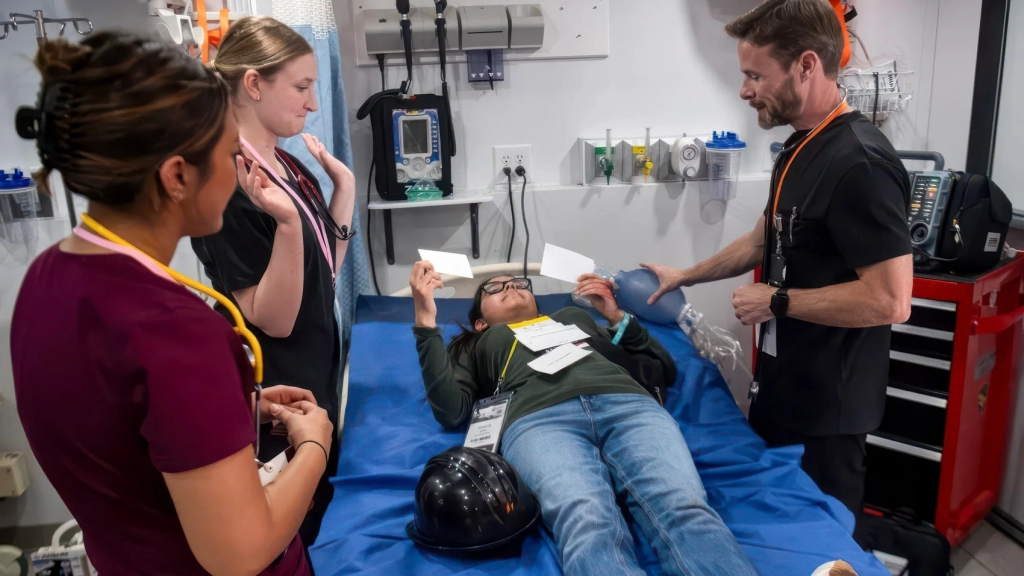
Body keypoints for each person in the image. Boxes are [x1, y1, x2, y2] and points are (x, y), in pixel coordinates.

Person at [11, 32, 333, 574]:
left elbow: (120, 424)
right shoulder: (178, 334)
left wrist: (230, 405)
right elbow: (240, 552)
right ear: (178, 176)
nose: (241, 170)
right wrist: (314, 448)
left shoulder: (46, 279)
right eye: (232, 155)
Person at [643, 0, 913, 523]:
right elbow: (763, 240)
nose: (744, 90)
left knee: (819, 545)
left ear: (806, 65)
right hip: (783, 392)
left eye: (754, 75)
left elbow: (890, 299)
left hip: (827, 415)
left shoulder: (861, 162)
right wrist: (684, 275)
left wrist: (779, 301)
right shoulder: (799, 146)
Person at [408, 262, 758, 576]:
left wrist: (615, 315)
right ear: (480, 322)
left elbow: (662, 365)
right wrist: (425, 319)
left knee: (684, 509)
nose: (510, 287)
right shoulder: (482, 343)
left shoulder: (573, 318)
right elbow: (451, 410)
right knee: (588, 520)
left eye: (517, 282)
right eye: (494, 288)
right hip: (537, 422)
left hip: (628, 405)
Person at [191, 15, 356, 544]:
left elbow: (325, 267)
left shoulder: (283, 163)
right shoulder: (230, 181)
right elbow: (274, 319)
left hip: (317, 369)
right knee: (291, 535)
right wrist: (287, 223)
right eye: (302, 87)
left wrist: (345, 187)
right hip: (279, 390)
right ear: (254, 84)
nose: (311, 104)